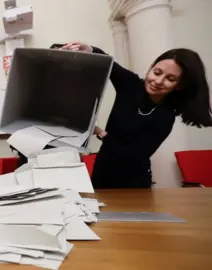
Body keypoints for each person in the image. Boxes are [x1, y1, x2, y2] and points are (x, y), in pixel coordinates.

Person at [59, 41, 212, 188]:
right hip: (102, 171)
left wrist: (100, 132)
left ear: (179, 85)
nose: (158, 81)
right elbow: (109, 63)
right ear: (151, 67)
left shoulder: (166, 116)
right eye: (157, 72)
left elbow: (133, 156)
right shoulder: (131, 85)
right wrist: (90, 49)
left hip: (134, 182)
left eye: (170, 79)